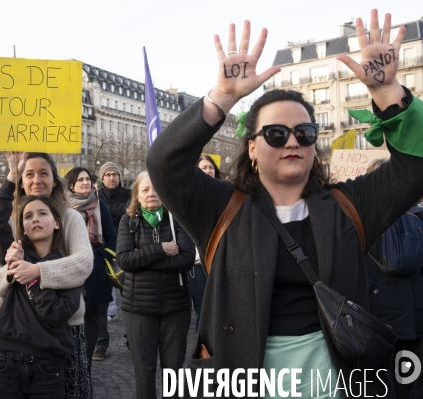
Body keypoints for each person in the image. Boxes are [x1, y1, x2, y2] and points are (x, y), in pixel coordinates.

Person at [146, 10, 423, 397]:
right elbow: (163, 163)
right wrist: (223, 97)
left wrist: (388, 91)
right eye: (276, 133)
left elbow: (415, 166)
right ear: (252, 148)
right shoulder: (220, 208)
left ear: (314, 145)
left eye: (304, 132)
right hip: (241, 378)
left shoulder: (349, 206)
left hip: (335, 381)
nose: (292, 142)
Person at [0, 152, 93, 399]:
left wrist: (36, 271)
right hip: (13, 331)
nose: (37, 180)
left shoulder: (70, 217)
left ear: (55, 180)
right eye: (29, 174)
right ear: (21, 181)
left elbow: (84, 263)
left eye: (44, 173)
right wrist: (12, 272)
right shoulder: (10, 222)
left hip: (62, 327)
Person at [0, 195, 82, 398]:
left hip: (48, 364)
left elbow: (57, 313)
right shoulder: (16, 255)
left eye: (43, 214)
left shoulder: (67, 265)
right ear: (23, 228)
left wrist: (33, 276)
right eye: (28, 216)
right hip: (8, 359)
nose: (35, 219)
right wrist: (10, 267)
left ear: (57, 223)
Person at [117, 171, 194, 399]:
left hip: (176, 308)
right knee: (144, 373)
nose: (152, 194)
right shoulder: (128, 221)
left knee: (174, 373)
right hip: (138, 308)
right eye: (145, 190)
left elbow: (186, 259)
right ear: (137, 196)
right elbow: (125, 260)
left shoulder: (177, 219)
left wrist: (144, 258)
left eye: (156, 188)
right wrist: (161, 249)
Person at [365, 159, 423, 399]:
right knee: (409, 381)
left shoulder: (363, 219)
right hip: (415, 315)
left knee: (378, 383)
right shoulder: (419, 216)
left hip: (376, 317)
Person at [64, 167, 116, 366]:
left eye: (87, 179)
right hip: (70, 266)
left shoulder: (99, 203)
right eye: (81, 180)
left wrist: (103, 259)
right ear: (71, 185)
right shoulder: (63, 207)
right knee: (71, 312)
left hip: (96, 268)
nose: (86, 183)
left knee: (93, 314)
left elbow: (111, 236)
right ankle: (71, 359)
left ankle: (86, 362)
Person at [96, 162, 131, 360]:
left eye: (114, 174)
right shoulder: (95, 197)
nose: (111, 178)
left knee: (129, 299)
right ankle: (101, 343)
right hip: (102, 252)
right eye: (107, 175)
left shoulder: (128, 195)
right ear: (102, 178)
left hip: (125, 251)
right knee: (101, 301)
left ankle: (131, 339)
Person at [187, 155, 222, 332]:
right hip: (198, 263)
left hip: (221, 262)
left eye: (210, 167)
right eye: (203, 168)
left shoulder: (224, 195)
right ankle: (203, 353)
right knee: (203, 310)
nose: (208, 170)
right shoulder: (188, 197)